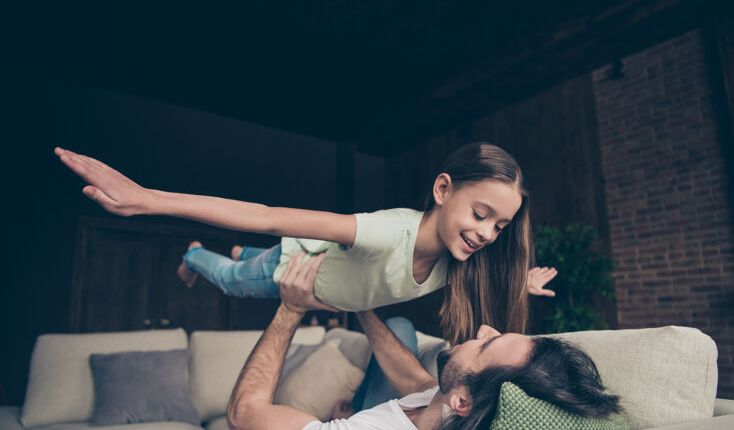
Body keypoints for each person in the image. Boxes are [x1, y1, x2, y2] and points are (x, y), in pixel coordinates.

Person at [55, 142, 556, 343]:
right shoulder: (386, 232)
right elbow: (268, 216)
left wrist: (522, 284)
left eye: (501, 226)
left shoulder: (461, 261)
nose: (488, 234)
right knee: (233, 283)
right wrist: (148, 199)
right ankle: (194, 254)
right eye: (481, 215)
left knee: (251, 262)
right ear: (443, 191)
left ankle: (238, 257)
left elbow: (497, 269)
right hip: (296, 268)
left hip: (324, 274)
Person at [228, 251, 620, 430]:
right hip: (361, 427)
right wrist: (358, 304)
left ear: (463, 401)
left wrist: (291, 308)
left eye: (488, 343)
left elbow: (243, 414)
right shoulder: (449, 412)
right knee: (398, 330)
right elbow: (412, 378)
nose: (484, 328)